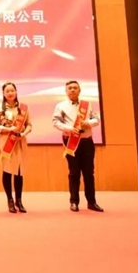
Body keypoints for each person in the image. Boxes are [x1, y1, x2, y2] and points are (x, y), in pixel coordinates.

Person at [52, 80, 103, 212]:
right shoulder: (61, 106)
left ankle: (91, 202)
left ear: (79, 90)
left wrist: (88, 123)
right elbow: (55, 122)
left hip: (87, 142)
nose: (73, 90)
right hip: (71, 141)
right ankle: (74, 202)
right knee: (74, 172)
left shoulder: (87, 105)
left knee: (89, 173)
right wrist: (69, 129)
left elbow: (96, 119)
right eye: (70, 88)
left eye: (75, 88)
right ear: (66, 91)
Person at [0, 82, 32, 213]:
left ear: (16, 92)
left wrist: (23, 134)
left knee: (19, 171)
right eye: (7, 91)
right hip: (6, 142)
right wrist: (9, 129)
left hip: (20, 142)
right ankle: (9, 199)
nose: (10, 93)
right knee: (8, 170)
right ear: (3, 93)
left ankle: (19, 200)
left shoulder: (23, 108)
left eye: (12, 90)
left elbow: (29, 125)